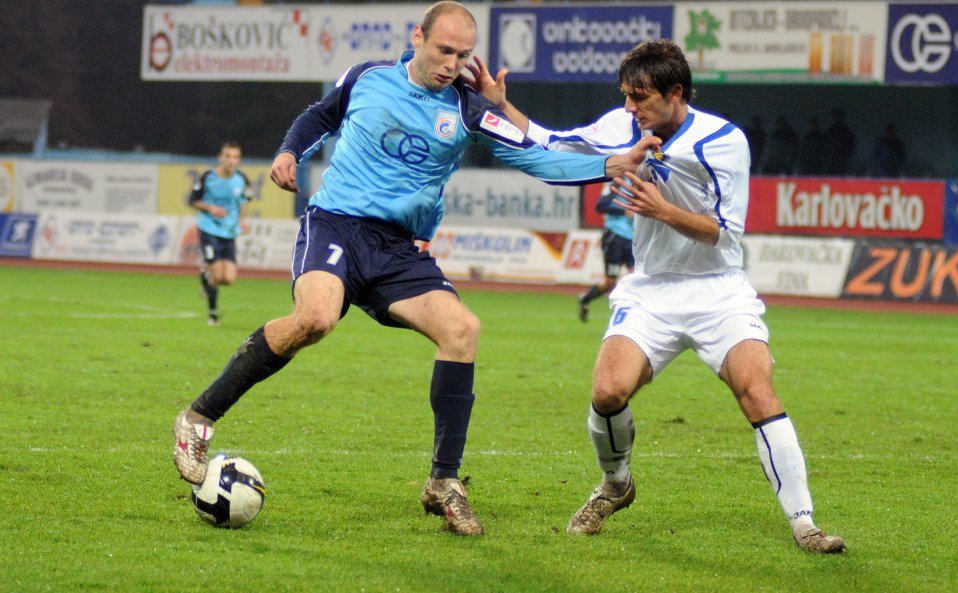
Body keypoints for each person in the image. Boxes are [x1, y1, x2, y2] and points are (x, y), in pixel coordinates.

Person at [170, 1, 657, 537]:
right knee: (316, 318)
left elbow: (536, 156)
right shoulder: (368, 78)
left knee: (462, 330)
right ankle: (197, 419)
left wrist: (607, 164)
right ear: (418, 37)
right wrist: (290, 151)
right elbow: (320, 115)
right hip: (335, 224)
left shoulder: (469, 109)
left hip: (397, 248)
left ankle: (443, 482)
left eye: (463, 54)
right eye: (444, 49)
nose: (452, 62)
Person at [465, 39, 845, 552]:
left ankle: (805, 525)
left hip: (719, 292)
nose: (629, 107)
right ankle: (616, 484)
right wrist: (500, 104)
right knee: (607, 392)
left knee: (757, 392)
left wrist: (661, 209)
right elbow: (555, 141)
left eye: (639, 97)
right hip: (651, 290)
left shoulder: (723, 141)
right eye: (625, 95)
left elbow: (726, 234)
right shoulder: (623, 127)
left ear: (676, 93)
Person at [189, 142, 253, 326]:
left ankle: (205, 278)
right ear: (220, 158)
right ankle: (212, 315)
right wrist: (211, 208)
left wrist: (242, 221)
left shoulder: (241, 180)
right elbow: (193, 201)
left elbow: (244, 201)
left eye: (235, 157)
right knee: (217, 273)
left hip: (229, 231)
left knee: (229, 279)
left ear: (238, 160)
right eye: (227, 156)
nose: (231, 160)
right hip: (208, 228)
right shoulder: (208, 177)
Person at [579, 185, 634, 322]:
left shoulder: (646, 178)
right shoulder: (617, 182)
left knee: (637, 276)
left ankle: (632, 317)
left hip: (634, 238)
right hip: (615, 236)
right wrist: (624, 211)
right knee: (610, 281)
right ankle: (585, 299)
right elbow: (601, 206)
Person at [823, 108, 855, 175]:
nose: (836, 119)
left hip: (842, 161)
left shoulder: (846, 131)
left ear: (842, 118)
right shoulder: (830, 131)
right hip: (831, 161)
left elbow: (851, 146)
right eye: (834, 117)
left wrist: (845, 157)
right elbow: (825, 146)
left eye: (838, 116)